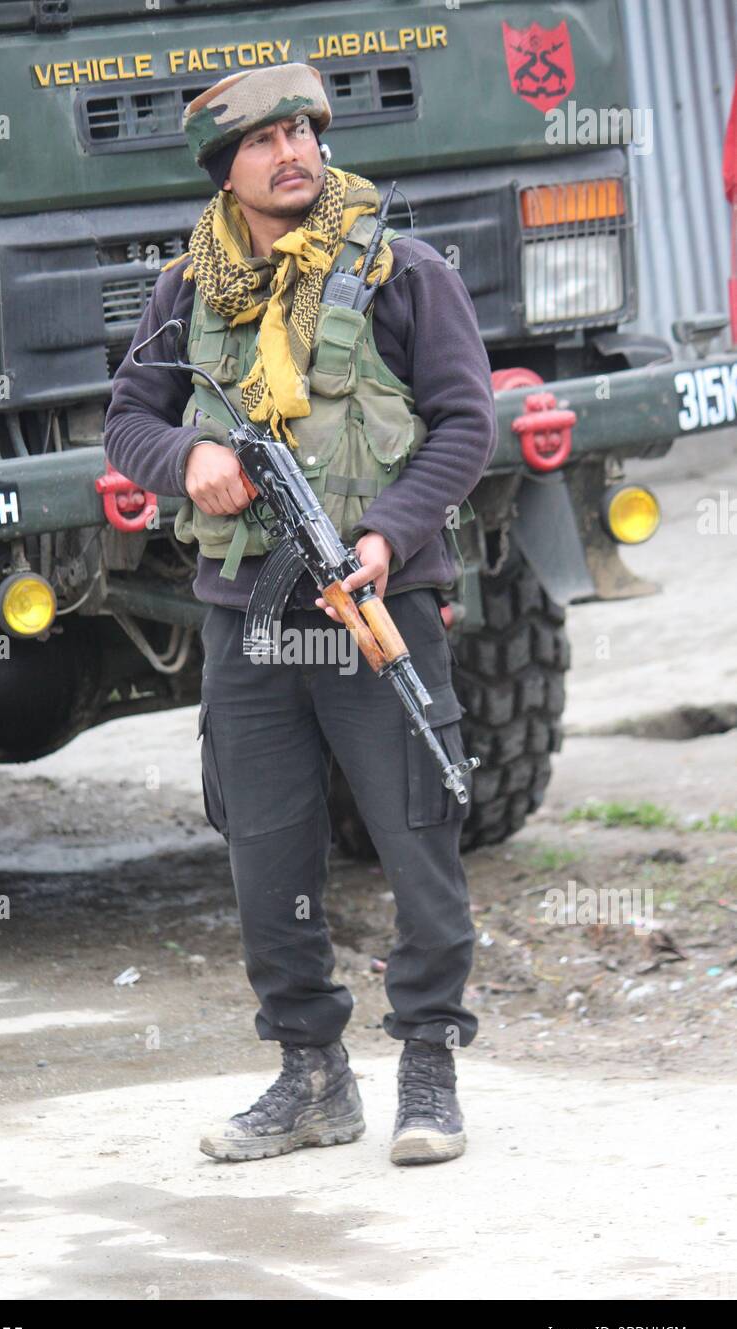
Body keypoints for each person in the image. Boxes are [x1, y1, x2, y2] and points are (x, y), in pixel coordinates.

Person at [103, 62, 497, 1167]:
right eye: (264, 140)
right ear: (223, 170)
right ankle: (310, 1075)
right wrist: (194, 458)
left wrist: (385, 538)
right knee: (264, 849)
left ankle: (427, 1063)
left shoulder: (400, 271)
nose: (291, 152)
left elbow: (467, 428)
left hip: (375, 603)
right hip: (246, 616)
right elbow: (127, 419)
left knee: (414, 832)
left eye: (302, 131)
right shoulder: (188, 288)